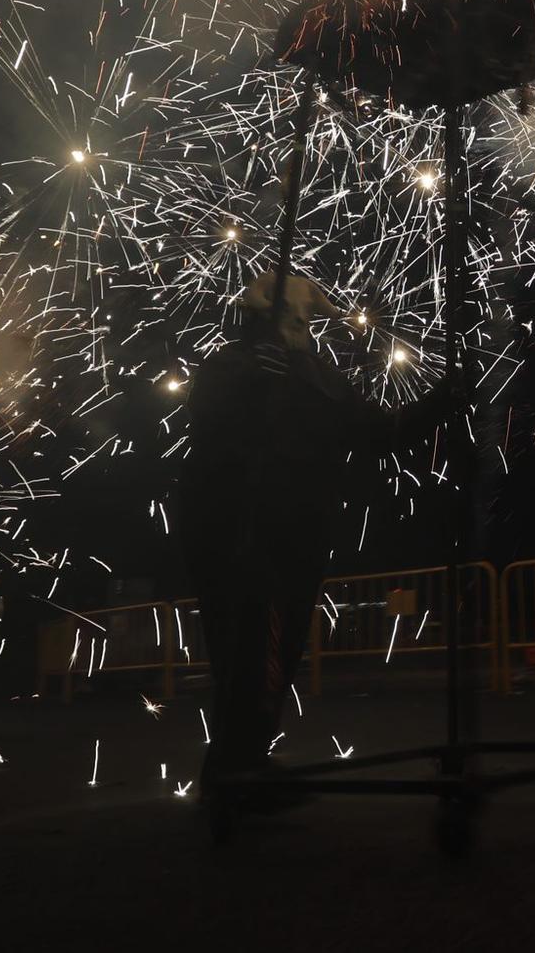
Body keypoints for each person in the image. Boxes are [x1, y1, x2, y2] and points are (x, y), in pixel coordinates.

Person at [174, 272, 446, 800]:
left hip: (295, 529)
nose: (298, 324)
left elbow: (379, 434)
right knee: (247, 646)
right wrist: (252, 382)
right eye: (284, 315)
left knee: (278, 648)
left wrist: (437, 405)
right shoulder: (230, 367)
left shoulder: (317, 376)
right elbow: (209, 422)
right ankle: (234, 770)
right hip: (236, 527)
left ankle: (243, 764)